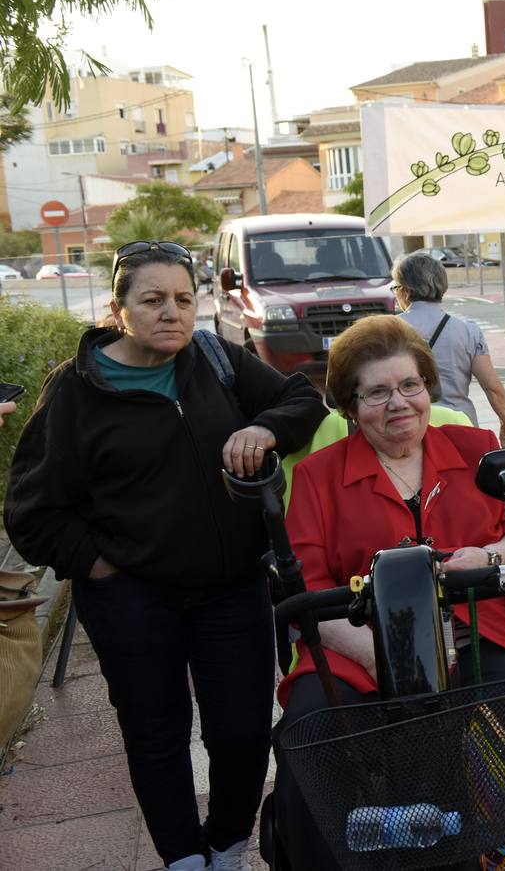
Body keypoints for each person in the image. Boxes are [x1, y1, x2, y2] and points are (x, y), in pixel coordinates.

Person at [3, 240, 327, 871]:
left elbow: (301, 398)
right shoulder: (74, 392)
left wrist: (266, 427)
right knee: (157, 736)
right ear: (119, 308)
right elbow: (31, 511)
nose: (171, 313)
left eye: (184, 299)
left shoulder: (214, 358)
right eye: (151, 300)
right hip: (131, 600)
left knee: (239, 731)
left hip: (232, 588)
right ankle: (182, 858)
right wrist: (97, 563)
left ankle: (227, 846)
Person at [274, 315, 505, 869]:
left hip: (474, 629)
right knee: (311, 728)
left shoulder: (477, 449)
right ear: (349, 405)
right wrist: (378, 657)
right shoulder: (317, 475)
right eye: (377, 392)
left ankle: (502, 847)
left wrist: (490, 557)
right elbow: (304, 586)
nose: (399, 403)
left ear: (428, 387)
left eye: (410, 386)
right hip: (357, 643)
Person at [391, 251, 505, 447]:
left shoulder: (387, 330)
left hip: (411, 428)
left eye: (395, 288)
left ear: (406, 291)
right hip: (461, 426)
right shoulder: (468, 330)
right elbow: (492, 386)